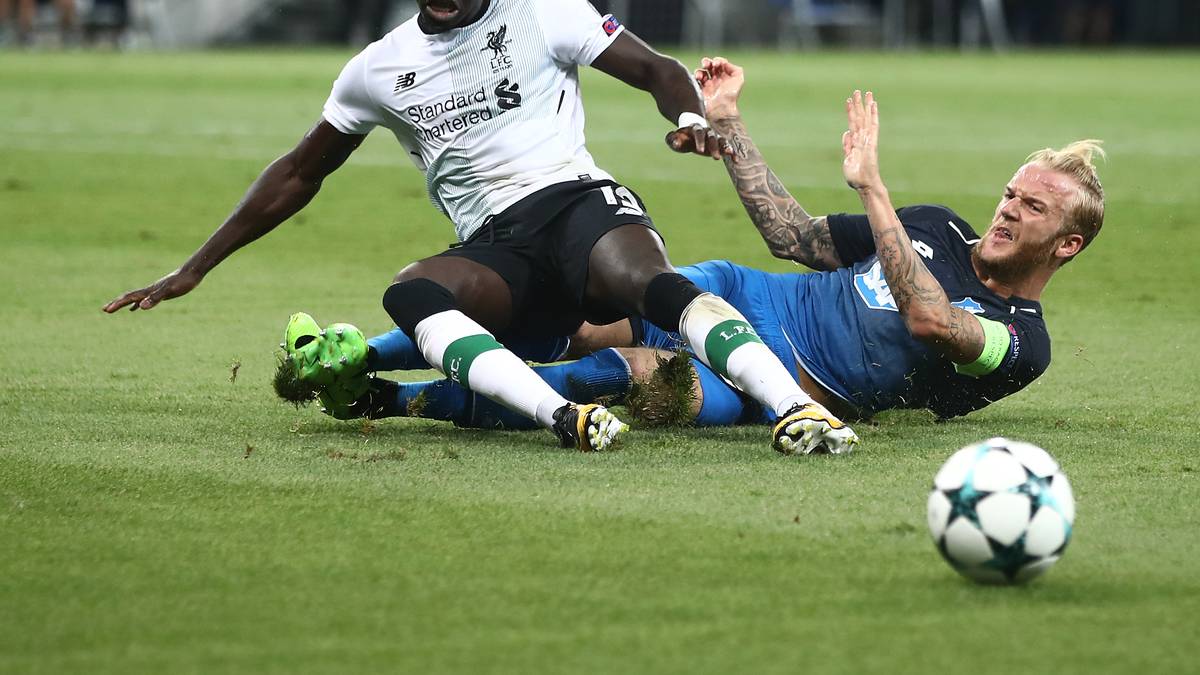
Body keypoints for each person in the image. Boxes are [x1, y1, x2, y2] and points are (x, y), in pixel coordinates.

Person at [104, 2, 858, 455]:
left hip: (578, 202)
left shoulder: (545, 11)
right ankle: (564, 417)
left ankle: (796, 406)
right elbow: (302, 170)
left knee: (648, 283)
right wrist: (196, 266)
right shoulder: (378, 68)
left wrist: (691, 116)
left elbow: (656, 68)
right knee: (413, 293)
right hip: (499, 247)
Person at [301, 56, 1105, 434]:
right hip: (734, 294)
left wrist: (873, 186)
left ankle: (391, 401)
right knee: (562, 322)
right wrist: (728, 127)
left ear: (1065, 245)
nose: (1008, 211)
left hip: (790, 383)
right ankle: (351, 357)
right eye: (1011, 192)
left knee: (635, 384)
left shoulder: (1022, 342)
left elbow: (931, 322)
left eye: (1033, 209)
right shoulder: (938, 224)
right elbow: (791, 234)